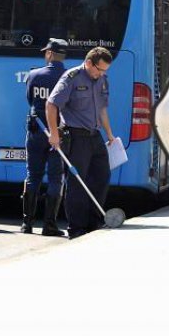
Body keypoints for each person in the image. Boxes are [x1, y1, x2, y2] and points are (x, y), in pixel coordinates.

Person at [46, 47, 116, 239]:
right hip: (76, 136)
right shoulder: (72, 77)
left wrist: (109, 135)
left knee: (102, 176)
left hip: (95, 135)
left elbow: (102, 109)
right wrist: (54, 133)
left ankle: (94, 223)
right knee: (77, 183)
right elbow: (51, 104)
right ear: (88, 63)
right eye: (99, 69)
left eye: (104, 71)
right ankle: (77, 228)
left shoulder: (102, 79)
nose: (101, 74)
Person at [22, 38, 69, 236]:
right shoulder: (69, 77)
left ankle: (27, 224)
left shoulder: (34, 75)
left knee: (33, 177)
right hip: (58, 134)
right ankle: (49, 225)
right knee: (56, 178)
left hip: (36, 131)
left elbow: (30, 100)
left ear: (49, 54)